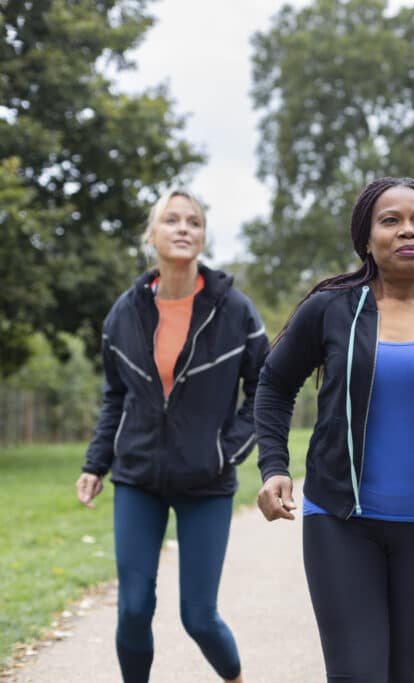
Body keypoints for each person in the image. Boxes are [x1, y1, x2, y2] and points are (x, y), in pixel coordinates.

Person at [254, 177, 414, 682]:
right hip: (340, 522)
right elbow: (274, 384)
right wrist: (274, 466)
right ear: (366, 239)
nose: (408, 230)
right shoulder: (332, 308)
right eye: (390, 221)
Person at [77, 190, 269, 683]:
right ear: (152, 235)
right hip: (138, 476)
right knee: (134, 608)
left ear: (203, 236)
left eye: (194, 221)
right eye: (171, 220)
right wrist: (95, 463)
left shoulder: (234, 310)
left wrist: (228, 450)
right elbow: (114, 395)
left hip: (206, 481)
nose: (183, 228)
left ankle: (235, 679)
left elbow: (265, 387)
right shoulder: (125, 313)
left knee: (198, 617)